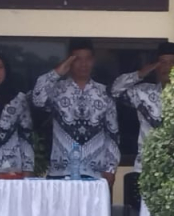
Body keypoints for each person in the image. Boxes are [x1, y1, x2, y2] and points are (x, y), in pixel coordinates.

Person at [32, 39, 119, 182]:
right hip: (60, 173)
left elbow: (113, 134)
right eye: (77, 59)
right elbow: (37, 99)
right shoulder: (57, 90)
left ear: (93, 61)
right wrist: (57, 72)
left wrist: (110, 168)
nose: (83, 64)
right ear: (69, 61)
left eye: (87, 59)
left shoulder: (105, 93)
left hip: (95, 175)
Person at [112, 42, 174, 215]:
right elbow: (115, 90)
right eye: (162, 62)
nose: (167, 67)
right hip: (147, 169)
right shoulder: (143, 92)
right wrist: (142, 72)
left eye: (172, 62)